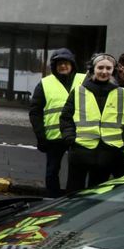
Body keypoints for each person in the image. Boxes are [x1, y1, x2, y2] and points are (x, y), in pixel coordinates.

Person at [60, 54, 124, 192]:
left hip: (108, 153)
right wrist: (70, 138)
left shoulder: (123, 93)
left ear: (113, 71)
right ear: (93, 69)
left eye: (108, 68)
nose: (104, 72)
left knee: (96, 194)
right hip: (81, 151)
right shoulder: (79, 91)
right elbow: (65, 117)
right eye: (100, 67)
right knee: (74, 192)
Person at [28, 48, 85, 197]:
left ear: (72, 64)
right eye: (59, 63)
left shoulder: (84, 80)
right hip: (54, 137)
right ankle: (52, 198)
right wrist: (41, 136)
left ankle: (73, 198)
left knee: (77, 171)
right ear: (54, 66)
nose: (63, 66)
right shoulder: (45, 83)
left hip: (79, 135)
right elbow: (35, 112)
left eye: (66, 63)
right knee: (52, 171)